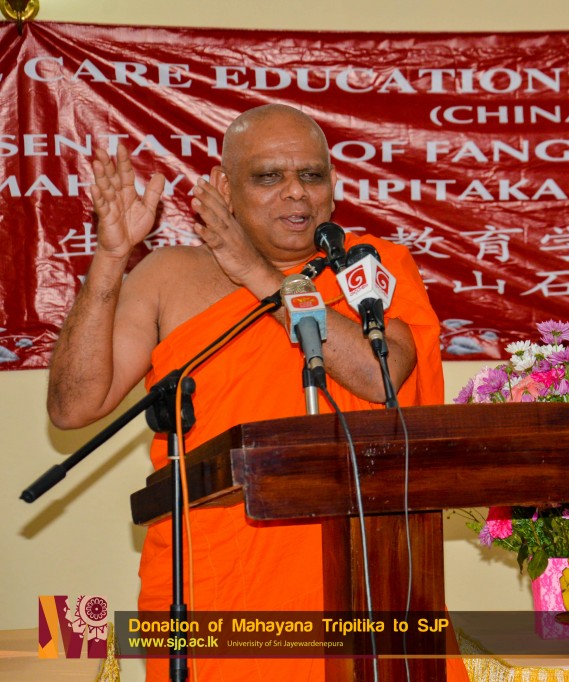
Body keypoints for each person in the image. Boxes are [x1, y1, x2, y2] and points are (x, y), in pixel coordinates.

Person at [46, 104, 457, 680]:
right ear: (224, 187)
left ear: (332, 186)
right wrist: (112, 259)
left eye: (311, 175)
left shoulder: (370, 267)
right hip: (217, 583)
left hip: (361, 576)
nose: (296, 193)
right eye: (269, 176)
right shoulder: (168, 276)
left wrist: (259, 277)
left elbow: (377, 374)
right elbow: (73, 407)